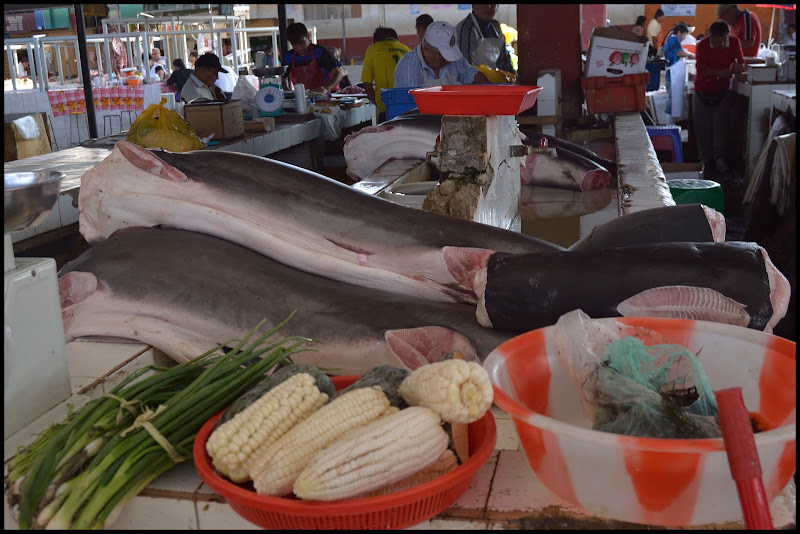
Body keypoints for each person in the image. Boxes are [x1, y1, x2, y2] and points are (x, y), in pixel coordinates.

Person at [692, 21, 746, 175]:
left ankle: (720, 160)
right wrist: (721, 72)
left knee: (721, 128)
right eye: (717, 40)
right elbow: (701, 70)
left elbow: (742, 64)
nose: (722, 43)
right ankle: (704, 161)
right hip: (702, 91)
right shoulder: (702, 45)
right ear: (710, 37)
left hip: (722, 93)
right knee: (702, 129)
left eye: (724, 39)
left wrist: (736, 68)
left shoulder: (735, 43)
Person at [393, 21, 490, 88]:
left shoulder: (455, 60)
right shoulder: (408, 65)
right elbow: (408, 106)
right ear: (427, 51)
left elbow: (479, 79)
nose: (449, 60)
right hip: (418, 117)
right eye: (444, 55)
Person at [361, 26, 411, 120]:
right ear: (396, 38)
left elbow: (367, 84)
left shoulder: (373, 49)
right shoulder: (407, 49)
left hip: (387, 106)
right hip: (410, 106)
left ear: (376, 40)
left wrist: (379, 104)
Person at [281, 22, 344, 94]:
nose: (299, 47)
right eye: (295, 44)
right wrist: (287, 92)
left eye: (302, 42)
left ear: (308, 36)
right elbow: (283, 78)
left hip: (322, 97)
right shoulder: (288, 57)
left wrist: (326, 88)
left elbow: (338, 73)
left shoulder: (320, 52)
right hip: (301, 97)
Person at [455, 4, 514, 73]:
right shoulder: (467, 28)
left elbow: (504, 62)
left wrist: (513, 76)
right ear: (473, 5)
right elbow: (464, 67)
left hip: (492, 80)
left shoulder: (496, 27)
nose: (489, 7)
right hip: (473, 81)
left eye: (493, 4)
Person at [663, 23, 695, 118]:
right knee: (673, 102)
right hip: (673, 74)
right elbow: (680, 52)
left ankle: (672, 124)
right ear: (679, 32)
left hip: (672, 73)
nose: (684, 38)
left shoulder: (671, 39)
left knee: (674, 102)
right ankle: (669, 124)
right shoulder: (674, 39)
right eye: (684, 35)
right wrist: (691, 55)